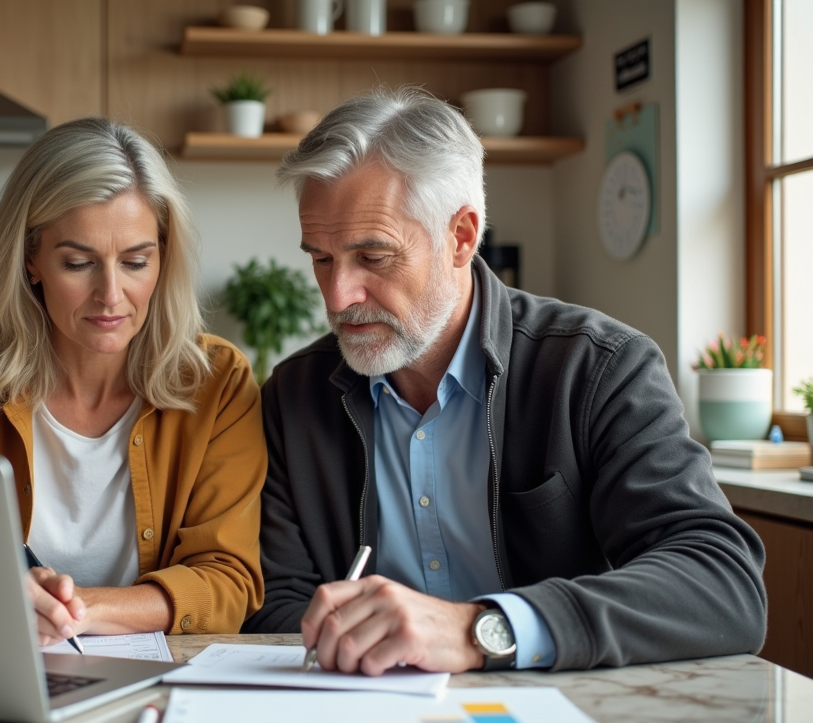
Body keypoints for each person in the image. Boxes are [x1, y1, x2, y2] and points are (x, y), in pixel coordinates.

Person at [243, 87, 766, 674]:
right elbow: (273, 605)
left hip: (572, 720)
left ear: (462, 236)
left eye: (374, 257)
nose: (338, 296)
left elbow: (723, 584)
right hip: (371, 716)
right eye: (321, 258)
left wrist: (481, 629)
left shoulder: (599, 369)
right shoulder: (292, 397)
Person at [0, 117, 265, 644]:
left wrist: (73, 609)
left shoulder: (218, 382)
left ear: (163, 258)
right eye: (79, 263)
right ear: (31, 259)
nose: (110, 294)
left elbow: (227, 581)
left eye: (135, 261)